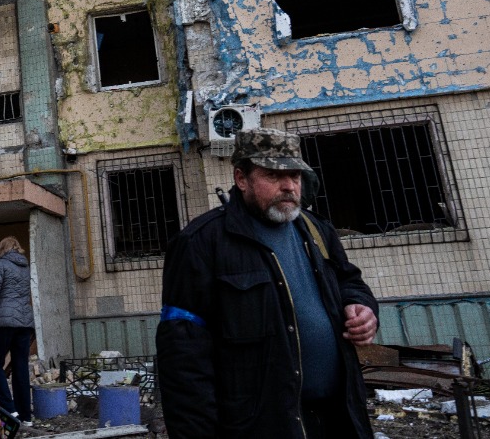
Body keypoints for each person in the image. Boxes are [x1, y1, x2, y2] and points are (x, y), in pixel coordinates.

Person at [156, 128, 379, 439]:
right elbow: (182, 357)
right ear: (242, 178)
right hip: (261, 426)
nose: (289, 185)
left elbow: (348, 280)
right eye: (274, 175)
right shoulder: (201, 243)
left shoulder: (316, 230)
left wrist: (362, 306)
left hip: (337, 416)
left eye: (295, 176)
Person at [0, 236, 35, 426]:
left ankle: (10, 411)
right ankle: (26, 417)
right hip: (24, 324)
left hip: (3, 323)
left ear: (3, 249)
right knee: (20, 368)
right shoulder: (25, 267)